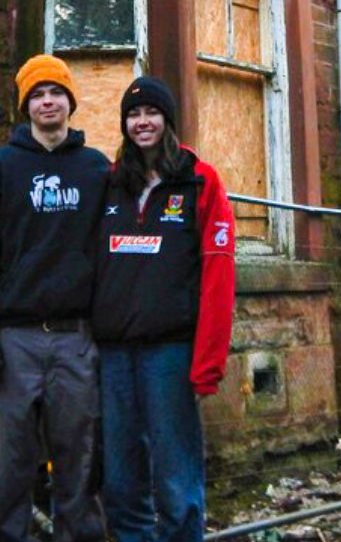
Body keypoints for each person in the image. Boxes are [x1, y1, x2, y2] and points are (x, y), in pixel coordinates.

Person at [0, 54, 111, 542]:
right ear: (26, 106)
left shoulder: (95, 170)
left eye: (55, 93)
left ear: (70, 101)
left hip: (75, 340)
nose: (47, 101)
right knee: (10, 467)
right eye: (37, 95)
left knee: (80, 463)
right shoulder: (0, 167)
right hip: (14, 342)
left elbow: (112, 252)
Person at [92, 76, 235, 542]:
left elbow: (218, 278)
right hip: (114, 354)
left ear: (167, 120)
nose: (142, 122)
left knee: (176, 479)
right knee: (121, 480)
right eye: (133, 115)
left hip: (170, 353)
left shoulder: (200, 181)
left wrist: (207, 363)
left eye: (151, 113)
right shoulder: (110, 184)